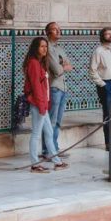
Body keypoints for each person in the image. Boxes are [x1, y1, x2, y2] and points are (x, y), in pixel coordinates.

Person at [22, 37, 67, 172]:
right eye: (41, 46)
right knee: (36, 133)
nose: (44, 49)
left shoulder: (40, 63)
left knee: (48, 132)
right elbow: (36, 87)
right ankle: (35, 164)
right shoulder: (34, 64)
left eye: (46, 46)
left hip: (42, 104)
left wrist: (46, 104)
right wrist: (42, 105)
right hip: (38, 104)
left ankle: (56, 161)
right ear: (35, 48)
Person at [45, 21, 73, 160]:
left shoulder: (60, 49)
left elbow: (69, 65)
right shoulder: (48, 48)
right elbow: (56, 71)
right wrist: (63, 66)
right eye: (55, 29)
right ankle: (47, 151)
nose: (58, 31)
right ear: (48, 32)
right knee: (51, 120)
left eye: (59, 29)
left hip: (63, 87)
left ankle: (54, 148)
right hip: (54, 87)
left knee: (58, 121)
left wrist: (62, 65)